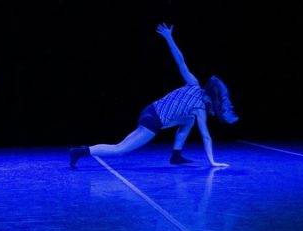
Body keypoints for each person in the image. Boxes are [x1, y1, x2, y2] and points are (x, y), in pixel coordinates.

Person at [69, 23, 237, 169]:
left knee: (188, 119)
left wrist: (169, 38)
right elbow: (206, 137)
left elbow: (181, 61)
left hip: (149, 110)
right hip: (153, 122)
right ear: (213, 97)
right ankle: (81, 151)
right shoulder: (199, 109)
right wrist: (213, 162)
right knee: (119, 149)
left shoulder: (193, 83)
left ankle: (176, 155)